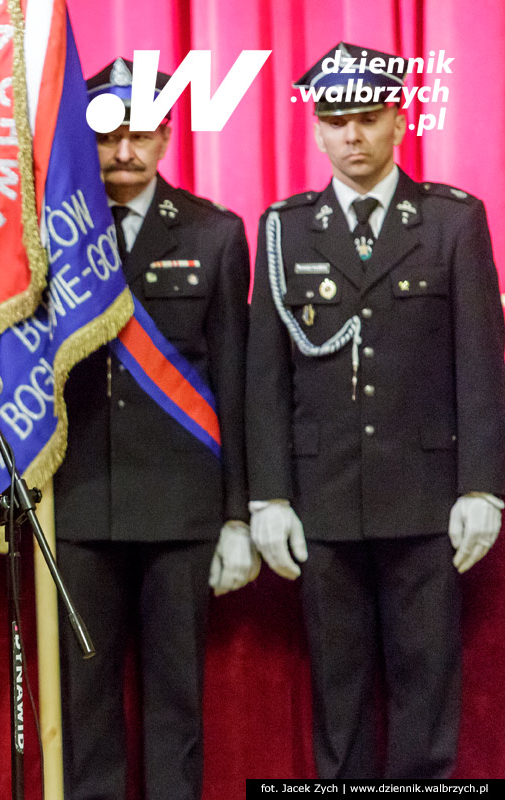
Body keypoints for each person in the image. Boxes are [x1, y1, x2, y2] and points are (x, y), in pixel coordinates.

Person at [247, 43, 505, 779]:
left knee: (427, 688)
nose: (352, 136)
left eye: (367, 118)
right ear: (318, 131)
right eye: (336, 121)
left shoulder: (452, 222)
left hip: (426, 499)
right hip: (321, 497)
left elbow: (481, 364)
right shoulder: (284, 229)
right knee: (338, 687)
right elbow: (263, 377)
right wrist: (268, 494)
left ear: (400, 122)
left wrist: (482, 485)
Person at [54, 57, 258, 800]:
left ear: (168, 135)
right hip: (76, 503)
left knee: (178, 703)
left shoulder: (216, 232)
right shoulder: (52, 236)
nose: (125, 153)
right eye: (108, 138)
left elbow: (238, 386)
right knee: (85, 704)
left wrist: (239, 514)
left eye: (142, 134)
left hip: (182, 507)